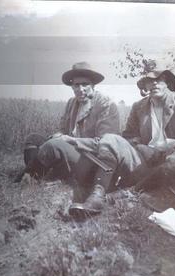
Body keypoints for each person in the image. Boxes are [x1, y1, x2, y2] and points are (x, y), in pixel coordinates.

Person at [69, 68, 175, 215]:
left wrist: (169, 144)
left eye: (159, 79)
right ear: (145, 85)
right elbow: (128, 136)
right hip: (146, 161)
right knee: (110, 138)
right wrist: (142, 147)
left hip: (173, 164)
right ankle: (97, 196)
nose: (154, 83)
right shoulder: (139, 107)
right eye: (150, 80)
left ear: (167, 82)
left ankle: (131, 192)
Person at [16, 62, 120, 213]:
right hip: (71, 152)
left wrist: (70, 140)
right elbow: (64, 130)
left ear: (93, 85)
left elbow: (106, 145)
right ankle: (36, 173)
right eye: (76, 85)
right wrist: (60, 135)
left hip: (92, 161)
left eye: (85, 84)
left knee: (53, 146)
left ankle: (28, 176)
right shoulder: (72, 103)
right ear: (72, 86)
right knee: (33, 139)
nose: (80, 89)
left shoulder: (106, 105)